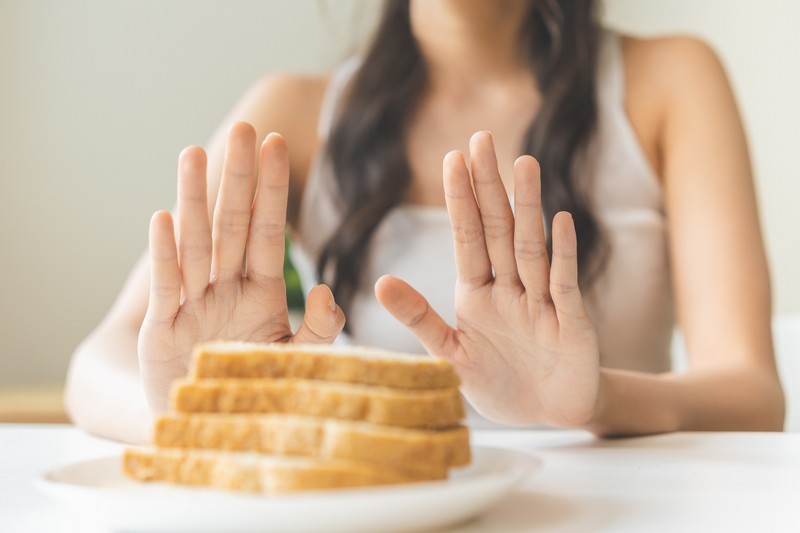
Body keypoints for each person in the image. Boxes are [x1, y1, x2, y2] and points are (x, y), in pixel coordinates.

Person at [65, 0, 785, 443]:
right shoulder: (291, 116)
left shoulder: (670, 80)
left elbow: (752, 391)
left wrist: (594, 400)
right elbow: (97, 364)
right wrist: (202, 410)